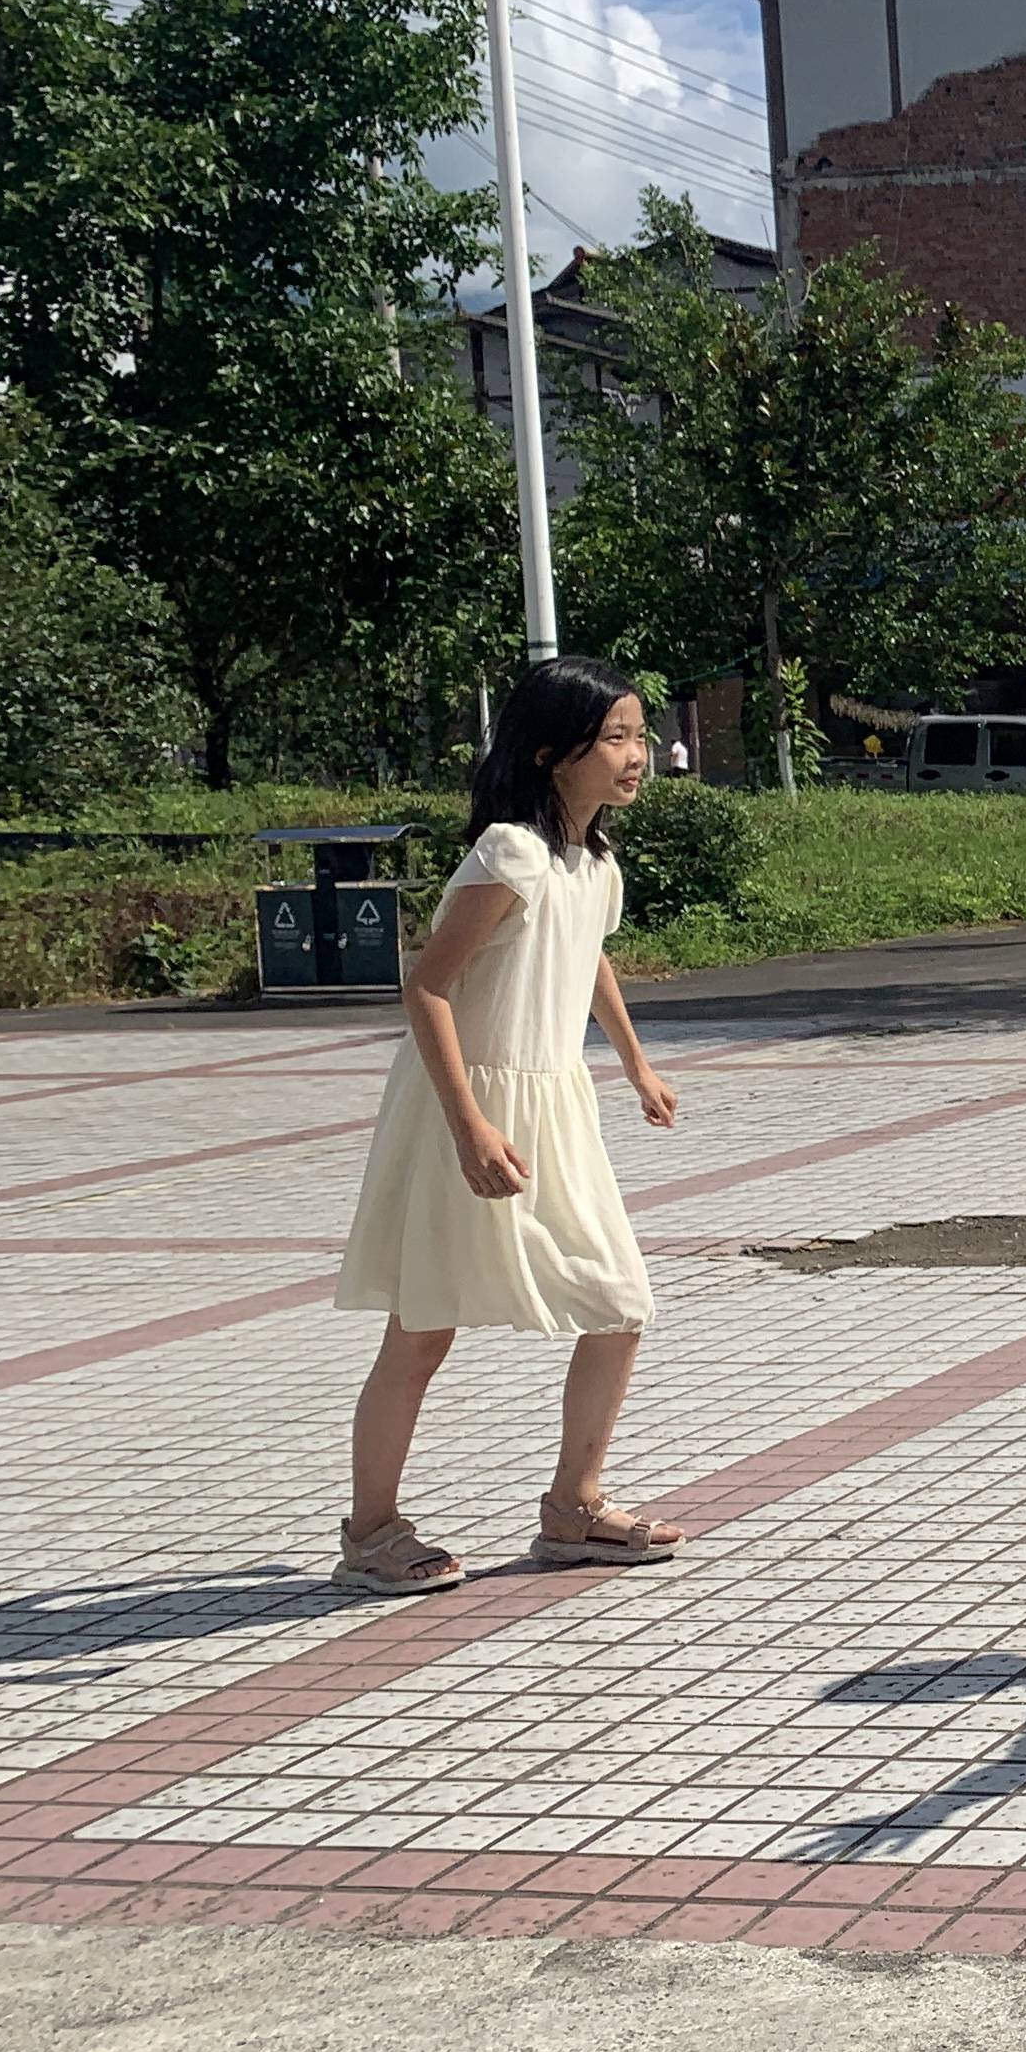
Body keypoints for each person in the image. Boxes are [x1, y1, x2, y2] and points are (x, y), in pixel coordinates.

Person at [330, 659, 684, 1593]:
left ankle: (574, 1508)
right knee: (423, 1329)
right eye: (615, 737)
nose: (636, 755)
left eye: (640, 735)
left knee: (618, 1301)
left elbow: (587, 957)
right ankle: (370, 1534)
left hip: (555, 1107)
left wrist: (635, 1063)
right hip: (471, 1109)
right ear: (549, 753)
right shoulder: (508, 853)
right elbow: (428, 986)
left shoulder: (592, 862)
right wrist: (469, 1127)